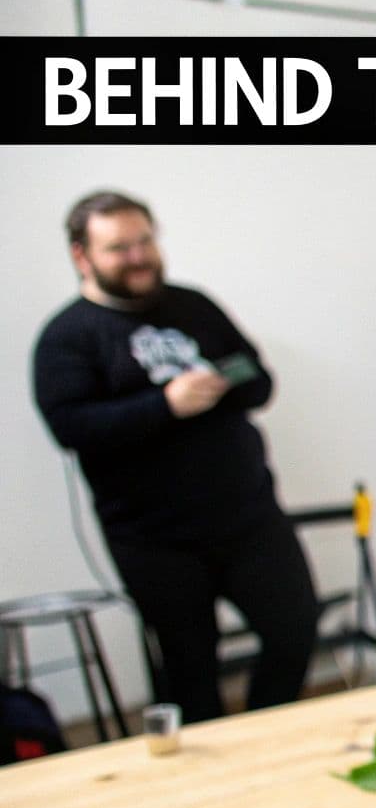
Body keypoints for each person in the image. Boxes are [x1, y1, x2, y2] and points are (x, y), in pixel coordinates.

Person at [32, 191, 320, 723]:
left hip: (249, 517)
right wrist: (164, 404)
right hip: (154, 541)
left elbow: (256, 378)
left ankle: (261, 735)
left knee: (295, 630)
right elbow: (71, 426)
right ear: (83, 257)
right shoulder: (67, 338)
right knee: (191, 672)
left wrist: (223, 384)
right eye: (120, 248)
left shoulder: (193, 306)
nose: (139, 256)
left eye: (145, 241)